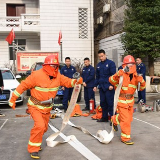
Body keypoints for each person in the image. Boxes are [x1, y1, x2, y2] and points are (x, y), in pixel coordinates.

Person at [9, 54, 83, 159]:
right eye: (52, 66)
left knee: (44, 127)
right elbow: (23, 86)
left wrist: (76, 81)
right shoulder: (36, 75)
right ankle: (33, 149)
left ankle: (36, 142)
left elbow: (68, 82)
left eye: (56, 66)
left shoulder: (58, 76)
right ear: (46, 65)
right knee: (39, 126)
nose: (54, 68)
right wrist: (12, 99)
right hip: (35, 107)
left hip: (47, 108)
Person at [109, 55, 146, 145]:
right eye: (128, 64)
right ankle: (125, 138)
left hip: (130, 102)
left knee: (128, 119)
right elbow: (111, 80)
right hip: (121, 101)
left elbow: (142, 88)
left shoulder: (136, 76)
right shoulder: (121, 73)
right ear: (124, 65)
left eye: (132, 64)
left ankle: (115, 119)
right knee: (125, 120)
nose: (130, 66)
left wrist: (142, 81)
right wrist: (118, 74)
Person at [93, 49, 116, 122]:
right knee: (103, 103)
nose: (101, 58)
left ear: (105, 55)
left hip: (109, 87)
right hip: (102, 87)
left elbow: (114, 76)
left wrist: (112, 85)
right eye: (99, 57)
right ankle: (105, 117)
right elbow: (97, 77)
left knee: (110, 103)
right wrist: (95, 85)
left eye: (102, 56)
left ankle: (113, 119)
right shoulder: (99, 65)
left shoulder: (111, 63)